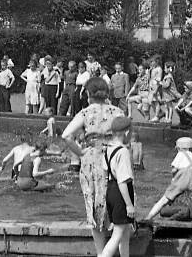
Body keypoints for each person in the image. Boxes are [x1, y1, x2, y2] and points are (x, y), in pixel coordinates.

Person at [61, 77, 126, 255]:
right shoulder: (118, 112)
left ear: (88, 94)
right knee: (118, 206)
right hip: (114, 159)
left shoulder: (85, 113)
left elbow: (66, 135)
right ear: (106, 93)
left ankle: (101, 253)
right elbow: (126, 137)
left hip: (92, 162)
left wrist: (81, 153)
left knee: (94, 206)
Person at [144, 137, 192, 222]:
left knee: (164, 200)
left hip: (183, 181)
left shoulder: (180, 154)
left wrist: (174, 177)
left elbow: (174, 169)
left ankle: (149, 217)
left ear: (179, 147)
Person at [99, 116, 135, 257]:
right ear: (126, 133)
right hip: (121, 193)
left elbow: (104, 172)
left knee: (124, 233)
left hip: (110, 190)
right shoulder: (123, 152)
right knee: (117, 234)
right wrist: (129, 205)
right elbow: (123, 180)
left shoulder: (108, 149)